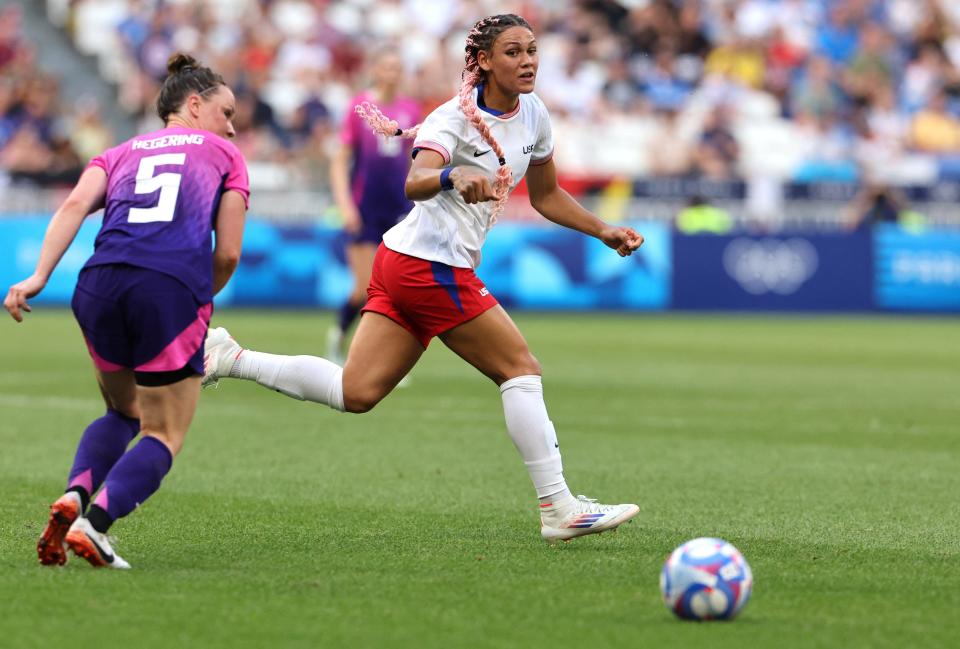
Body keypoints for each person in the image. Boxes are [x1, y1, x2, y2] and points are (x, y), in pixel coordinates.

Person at [204, 14, 643, 544]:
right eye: (513, 52)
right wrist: (453, 174)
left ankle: (230, 358)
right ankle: (559, 507)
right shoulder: (450, 120)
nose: (528, 61)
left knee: (356, 391)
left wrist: (602, 230)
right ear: (482, 61)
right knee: (519, 368)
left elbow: (546, 196)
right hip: (428, 267)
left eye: (532, 50)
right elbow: (415, 180)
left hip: (402, 260)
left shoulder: (535, 114)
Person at [3, 53, 248, 568]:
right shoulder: (225, 155)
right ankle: (94, 526)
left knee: (123, 411)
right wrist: (201, 297)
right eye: (226, 113)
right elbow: (226, 253)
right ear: (195, 104)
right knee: (164, 432)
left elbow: (73, 207)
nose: (232, 126)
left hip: (97, 284)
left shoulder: (119, 152)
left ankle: (74, 495)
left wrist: (38, 276)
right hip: (167, 288)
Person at [327, 48, 420, 364]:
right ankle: (339, 337)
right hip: (365, 207)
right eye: (387, 67)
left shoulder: (410, 109)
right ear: (376, 70)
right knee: (365, 288)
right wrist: (345, 205)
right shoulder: (360, 107)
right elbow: (340, 160)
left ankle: (384, 360)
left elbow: (415, 159)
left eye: (398, 67)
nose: (393, 73)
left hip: (399, 208)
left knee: (398, 288)